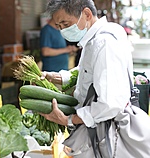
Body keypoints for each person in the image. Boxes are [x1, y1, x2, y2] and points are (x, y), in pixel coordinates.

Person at [40, 0, 134, 156]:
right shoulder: (97, 37)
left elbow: (109, 104)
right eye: (59, 26)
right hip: (99, 132)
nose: (63, 30)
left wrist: (68, 120)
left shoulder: (104, 43)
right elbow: (87, 70)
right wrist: (57, 77)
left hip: (106, 133)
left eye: (65, 23)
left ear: (87, 14)